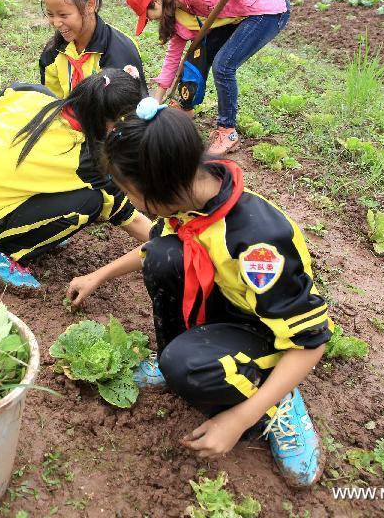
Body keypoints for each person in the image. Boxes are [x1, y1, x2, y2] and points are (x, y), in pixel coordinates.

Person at [67, 99, 331, 487]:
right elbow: (156, 245)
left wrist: (239, 418)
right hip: (230, 304)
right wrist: (98, 275)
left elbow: (311, 342)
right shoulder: (195, 194)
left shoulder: (259, 244)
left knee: (186, 368)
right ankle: (183, 353)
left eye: (130, 192)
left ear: (159, 186)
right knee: (161, 255)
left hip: (269, 331)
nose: (130, 202)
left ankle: (276, 400)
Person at [0, 70, 152, 289]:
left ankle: (22, 225)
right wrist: (171, 241)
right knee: (91, 202)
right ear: (109, 123)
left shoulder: (30, 92)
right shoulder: (87, 161)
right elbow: (129, 218)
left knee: (50, 182)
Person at [126, 0, 290, 154]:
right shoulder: (175, 13)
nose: (151, 21)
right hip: (236, 14)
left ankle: (228, 132)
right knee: (200, 53)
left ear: (155, 1)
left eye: (147, 16)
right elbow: (173, 57)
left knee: (224, 66)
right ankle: (186, 107)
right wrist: (156, 100)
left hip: (266, 8)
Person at [39, 0, 147, 98]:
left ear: (90, 5)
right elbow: (51, 101)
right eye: (50, 14)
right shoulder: (52, 53)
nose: (56, 23)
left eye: (63, 15)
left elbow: (132, 112)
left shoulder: (120, 52)